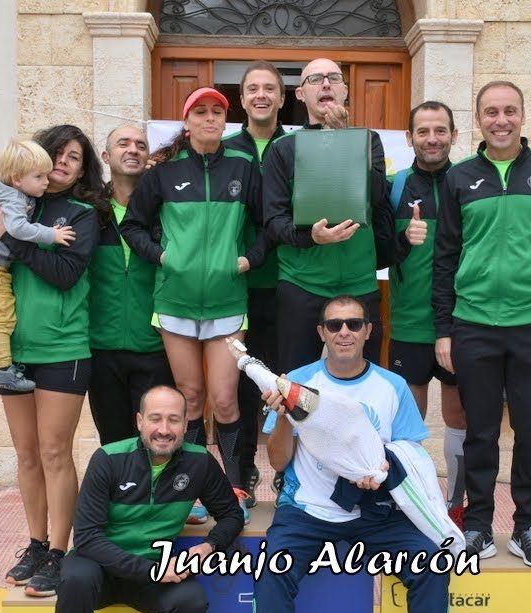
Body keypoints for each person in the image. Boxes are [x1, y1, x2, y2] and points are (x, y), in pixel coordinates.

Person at [433, 80, 531, 568]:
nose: (500, 120)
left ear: (523, 116)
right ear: (478, 119)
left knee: (530, 430)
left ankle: (527, 526)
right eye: (491, 112)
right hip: (473, 324)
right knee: (480, 432)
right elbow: (445, 259)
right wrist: (444, 330)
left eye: (509, 111)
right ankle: (478, 525)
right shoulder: (459, 178)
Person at [253, 295, 449, 613]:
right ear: (321, 332)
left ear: (368, 331)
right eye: (334, 325)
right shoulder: (297, 382)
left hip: (377, 511)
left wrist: (382, 469)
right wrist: (284, 418)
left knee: (431, 564)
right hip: (308, 510)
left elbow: (413, 453)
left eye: (354, 324)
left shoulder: (392, 385)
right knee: (273, 569)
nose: (344, 332)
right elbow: (277, 462)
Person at [0, 124, 105, 596]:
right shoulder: (19, 202)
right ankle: (35, 544)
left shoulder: (82, 215)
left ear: (83, 169)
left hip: (62, 347)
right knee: (27, 454)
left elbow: (63, 274)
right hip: (13, 351)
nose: (63, 162)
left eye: (74, 157)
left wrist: (12, 239)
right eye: (57, 153)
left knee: (55, 452)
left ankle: (58, 551)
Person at [120, 87, 268, 523]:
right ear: (187, 123)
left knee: (224, 400)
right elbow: (133, 225)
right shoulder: (165, 173)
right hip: (175, 303)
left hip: (228, 302)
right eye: (200, 112)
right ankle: (192, 490)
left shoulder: (244, 168)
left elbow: (269, 225)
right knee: (191, 398)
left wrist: (249, 259)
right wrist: (164, 257)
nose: (209, 118)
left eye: (216, 112)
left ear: (225, 121)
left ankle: (236, 488)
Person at [53, 385, 243, 613]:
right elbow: (87, 537)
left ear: (186, 424)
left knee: (192, 600)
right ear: (140, 421)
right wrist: (151, 570)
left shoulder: (199, 462)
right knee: (75, 578)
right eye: (155, 418)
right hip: (100, 568)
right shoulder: (108, 458)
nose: (164, 429)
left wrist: (208, 546)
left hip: (152, 572)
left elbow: (232, 515)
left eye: (174, 420)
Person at [263, 58, 395, 373]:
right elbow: (274, 221)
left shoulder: (369, 141)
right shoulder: (282, 148)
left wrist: (345, 139)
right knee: (297, 384)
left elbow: (378, 197)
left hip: (359, 283)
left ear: (345, 91)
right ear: (300, 94)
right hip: (301, 284)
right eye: (315, 79)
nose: (325, 84)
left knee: (364, 381)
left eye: (334, 78)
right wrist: (311, 237)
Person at [0, 138, 75, 392]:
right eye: (39, 177)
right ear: (17, 179)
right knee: (3, 320)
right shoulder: (15, 200)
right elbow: (18, 228)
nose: (46, 181)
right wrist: (51, 234)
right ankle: (3, 370)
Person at [223, 61, 288, 507]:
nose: (261, 95)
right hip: (236, 286)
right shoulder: (224, 149)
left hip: (290, 281)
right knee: (241, 385)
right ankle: (243, 474)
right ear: (242, 99)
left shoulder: (297, 146)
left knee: (286, 382)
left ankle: (289, 475)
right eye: (252, 89)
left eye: (269, 88)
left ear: (282, 98)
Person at [87, 124, 173, 445]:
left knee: (156, 441)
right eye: (123, 143)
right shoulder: (90, 210)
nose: (133, 149)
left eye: (140, 144)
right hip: (101, 347)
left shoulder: (164, 208)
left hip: (155, 346)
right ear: (106, 156)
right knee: (113, 442)